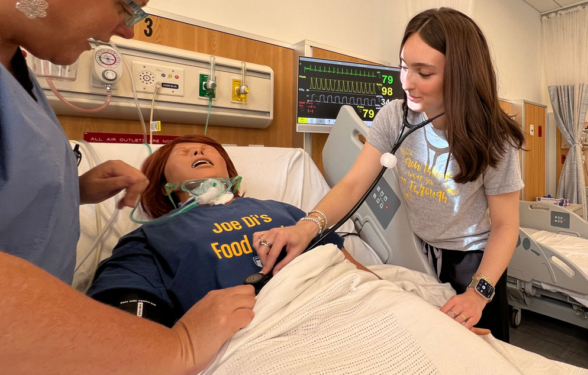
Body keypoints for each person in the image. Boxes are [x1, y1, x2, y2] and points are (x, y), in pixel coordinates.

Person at [0, 1, 255, 374]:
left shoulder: (16, 70)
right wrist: (178, 345)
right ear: (162, 187)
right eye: (126, 5)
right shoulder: (151, 239)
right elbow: (128, 298)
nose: (128, 30)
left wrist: (74, 189)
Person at [254, 8, 524, 342]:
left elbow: (506, 225)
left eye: (423, 72)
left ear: (461, 76)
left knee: (485, 347)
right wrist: (307, 227)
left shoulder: (495, 137)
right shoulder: (395, 117)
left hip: (475, 258)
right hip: (422, 247)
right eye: (403, 66)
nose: (407, 82)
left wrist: (479, 294)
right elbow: (353, 184)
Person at [86, 135, 374, 326]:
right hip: (259, 330)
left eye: (207, 149)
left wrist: (381, 289)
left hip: (343, 305)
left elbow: (345, 264)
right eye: (184, 152)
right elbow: (122, 316)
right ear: (165, 186)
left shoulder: (282, 209)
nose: (197, 150)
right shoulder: (153, 235)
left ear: (229, 170)